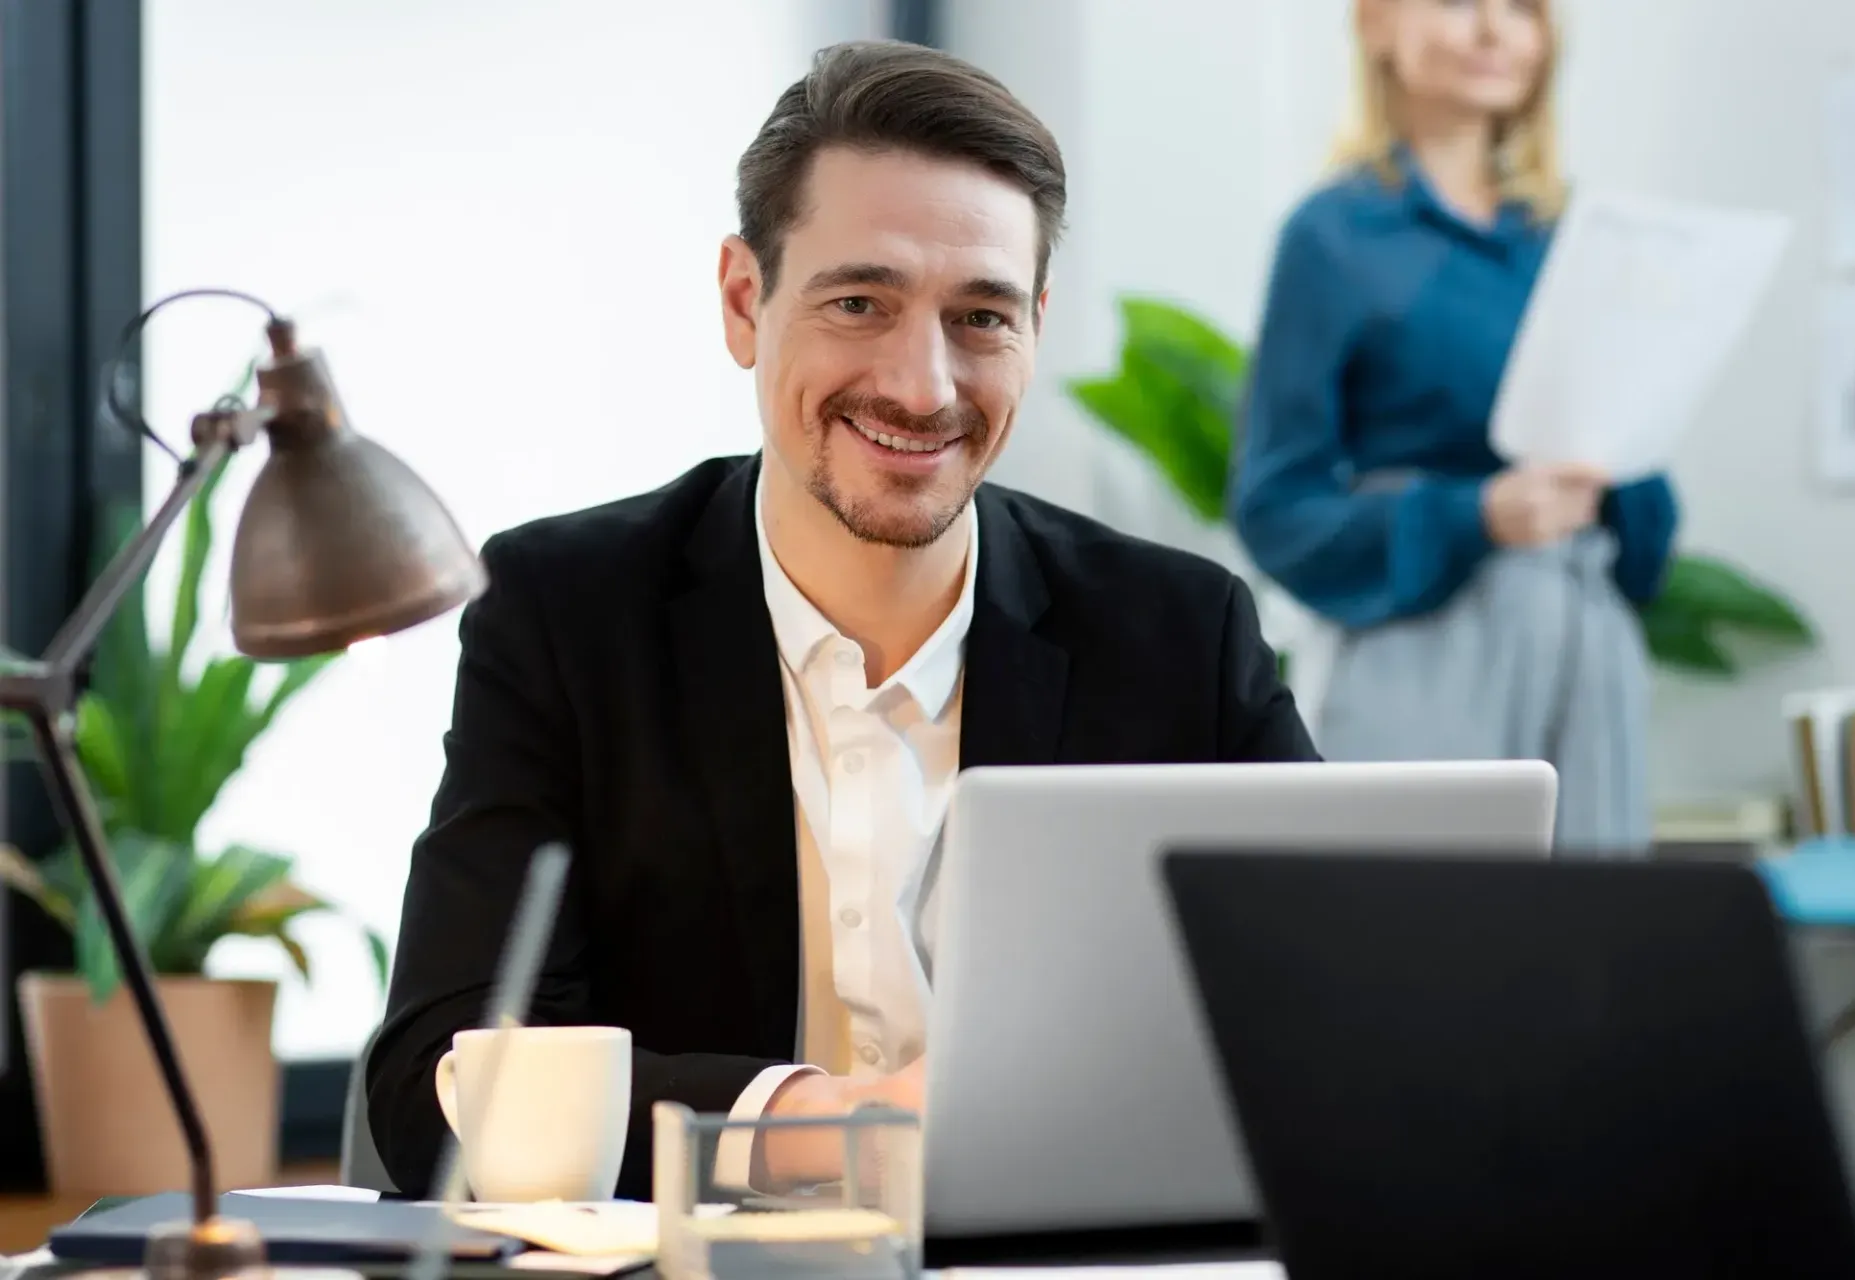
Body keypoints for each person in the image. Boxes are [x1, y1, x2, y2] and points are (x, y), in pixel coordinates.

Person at [366, 39, 1317, 1200]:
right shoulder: (567, 614)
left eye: (980, 317)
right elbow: (437, 1085)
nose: (923, 386)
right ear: (742, 300)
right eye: (859, 302)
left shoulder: (1179, 631)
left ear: (1036, 322)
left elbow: (1324, 1034)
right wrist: (836, 1121)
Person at [1231, 0, 1677, 850]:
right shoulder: (1332, 236)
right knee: (1419, 950)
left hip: (1587, 659)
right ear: (1374, 24)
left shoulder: (1573, 240)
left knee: (1589, 958)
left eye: (1520, 8)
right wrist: (1476, 516)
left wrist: (1624, 455)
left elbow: (1649, 537)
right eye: (1457, 2)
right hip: (1424, 659)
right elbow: (1275, 507)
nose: (1492, 30)